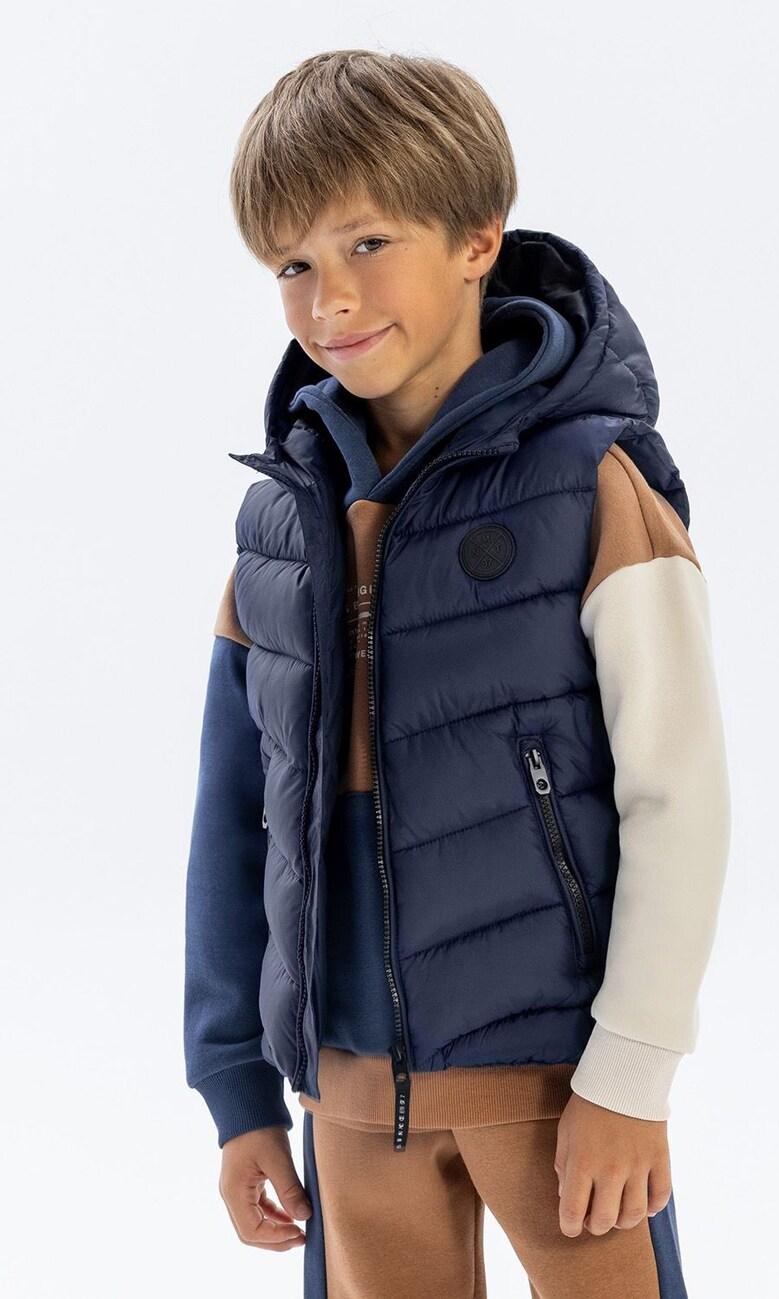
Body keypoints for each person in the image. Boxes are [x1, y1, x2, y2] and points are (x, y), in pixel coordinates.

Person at [183, 48, 731, 1299]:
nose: (330, 298)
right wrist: (237, 1091)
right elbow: (230, 818)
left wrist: (632, 1075)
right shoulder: (280, 531)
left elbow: (680, 798)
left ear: (479, 239)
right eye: (292, 265)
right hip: (347, 1092)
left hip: (559, 1085)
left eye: (368, 244)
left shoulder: (594, 491)